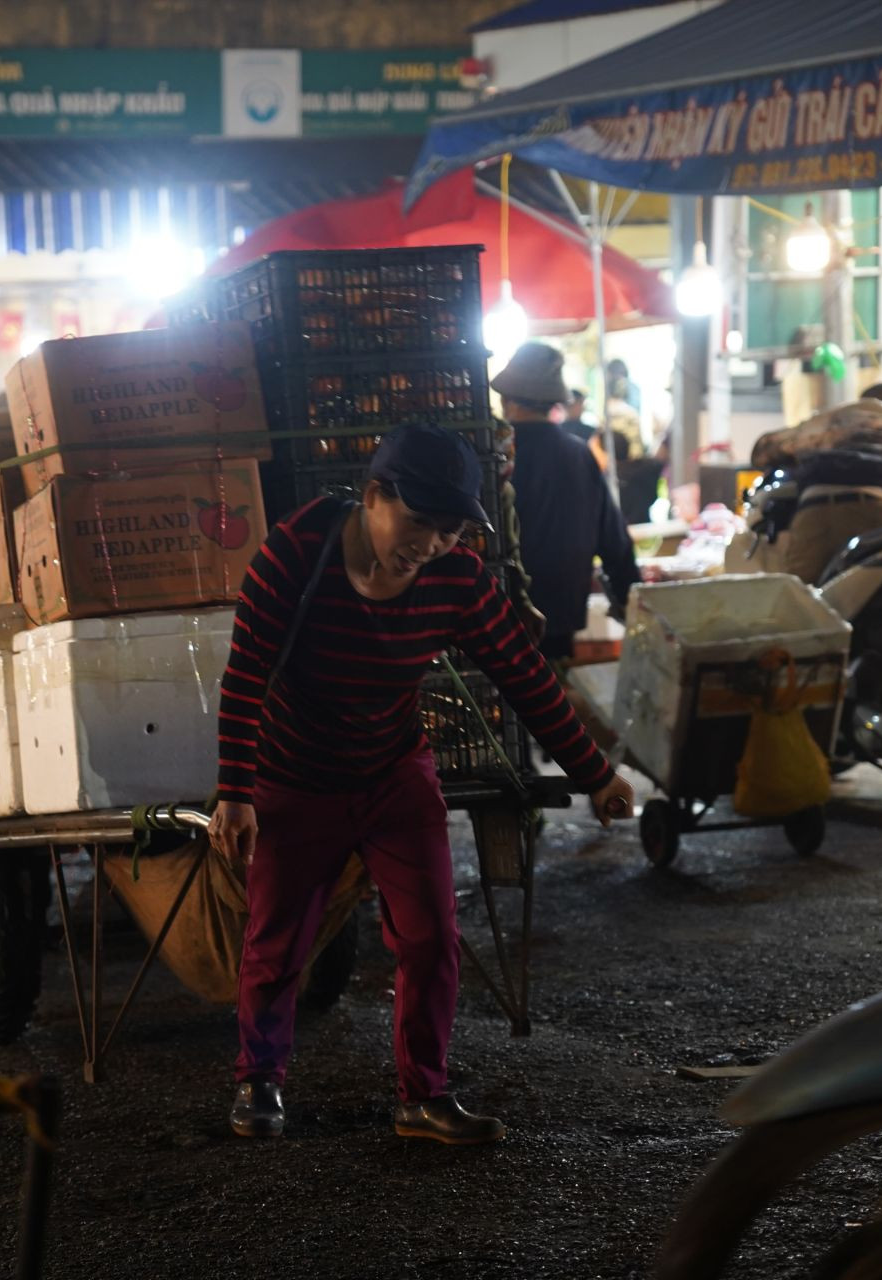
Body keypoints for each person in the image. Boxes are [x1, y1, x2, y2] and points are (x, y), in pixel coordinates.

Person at [210, 423, 635, 1146]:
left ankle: (423, 1096)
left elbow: (525, 678)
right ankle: (259, 1082)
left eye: (447, 529)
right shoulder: (297, 551)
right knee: (278, 940)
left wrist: (596, 773)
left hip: (392, 769)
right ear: (375, 496)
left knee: (433, 932)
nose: (431, 542)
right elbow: (246, 671)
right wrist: (235, 790)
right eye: (418, 523)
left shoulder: (455, 578)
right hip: (296, 771)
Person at [495, 343, 641, 663]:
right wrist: (634, 603)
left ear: (507, 399)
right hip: (561, 614)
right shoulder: (579, 454)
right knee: (552, 701)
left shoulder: (494, 456)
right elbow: (614, 540)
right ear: (554, 403)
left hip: (500, 614)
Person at [752, 383, 882, 511]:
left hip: (817, 512)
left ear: (861, 402)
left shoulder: (831, 420)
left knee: (802, 574)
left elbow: (761, 452)